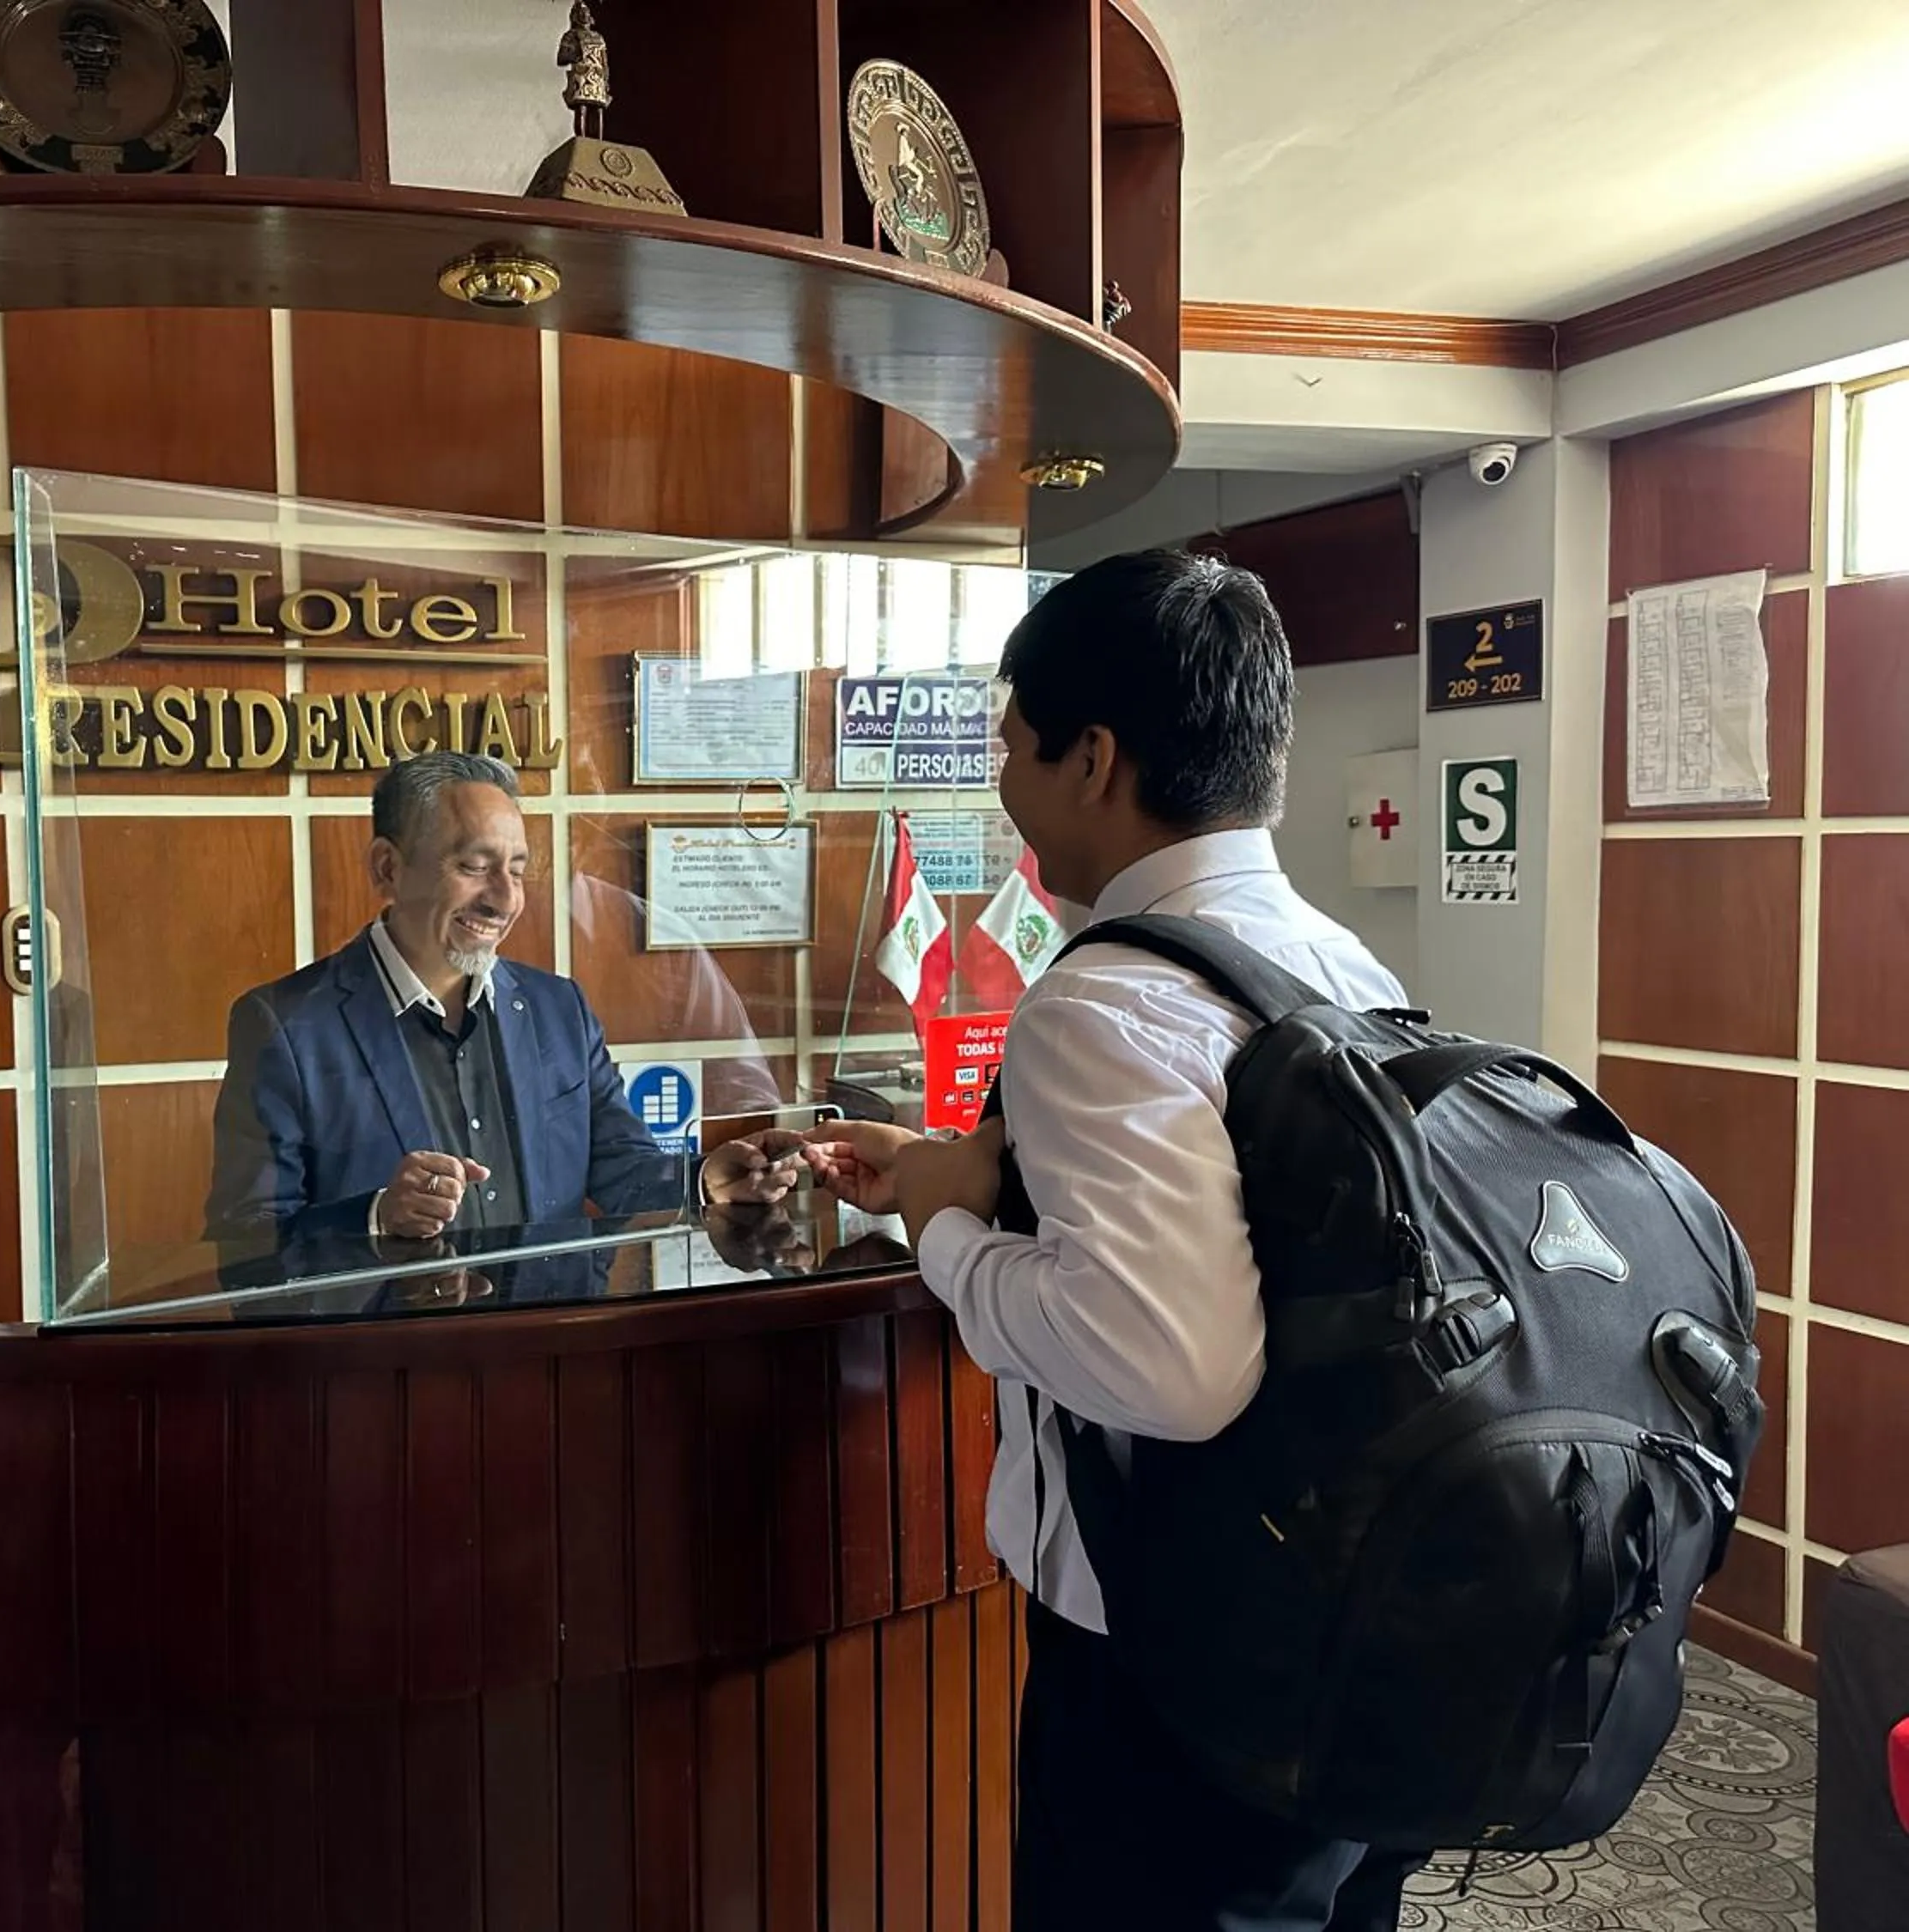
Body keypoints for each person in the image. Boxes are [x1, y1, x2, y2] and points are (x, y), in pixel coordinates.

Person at [809, 550, 1423, 1932]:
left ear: (1092, 759)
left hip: (1174, 1660)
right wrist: (966, 1175)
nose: (1002, 784)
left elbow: (1163, 1360)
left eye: (1012, 747)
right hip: (1341, 1614)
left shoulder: (1108, 998)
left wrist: (945, 1231)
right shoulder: (1334, 962)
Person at [205, 750, 814, 1249]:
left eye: (517, 870)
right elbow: (243, 1240)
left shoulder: (560, 1011)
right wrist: (376, 1218)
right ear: (388, 868)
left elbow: (623, 1169)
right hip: (387, 1370)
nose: (504, 900)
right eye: (475, 866)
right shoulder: (285, 1027)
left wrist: (701, 1179)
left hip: (553, 1361)